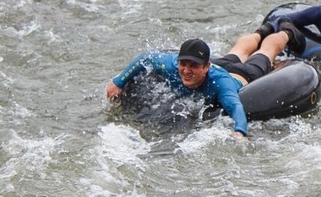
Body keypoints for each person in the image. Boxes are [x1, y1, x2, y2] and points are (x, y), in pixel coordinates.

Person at [106, 39, 248, 138]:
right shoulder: (171, 65)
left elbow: (235, 106)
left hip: (242, 75)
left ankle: (268, 31)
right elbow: (147, 58)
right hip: (220, 64)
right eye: (183, 64)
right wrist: (119, 82)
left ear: (206, 66)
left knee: (264, 53)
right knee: (238, 52)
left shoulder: (221, 83)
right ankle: (260, 32)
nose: (186, 71)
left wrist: (240, 132)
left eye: (193, 65)